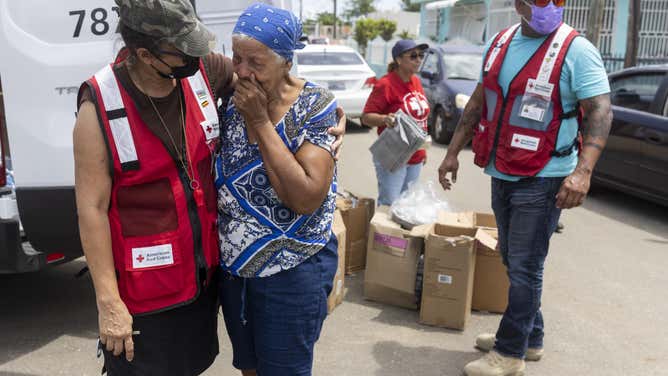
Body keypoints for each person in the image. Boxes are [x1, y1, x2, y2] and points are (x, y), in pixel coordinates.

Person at [73, 1, 345, 374]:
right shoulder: (100, 104)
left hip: (205, 281)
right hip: (145, 290)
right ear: (145, 55)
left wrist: (328, 119)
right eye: (182, 48)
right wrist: (107, 301)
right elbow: (91, 207)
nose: (197, 55)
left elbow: (289, 98)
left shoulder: (207, 73)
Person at [437, 1, 612, 375]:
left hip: (545, 174)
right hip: (502, 169)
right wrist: (452, 152)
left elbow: (600, 109)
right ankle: (530, 337)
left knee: (525, 265)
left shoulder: (576, 49)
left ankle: (510, 352)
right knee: (512, 259)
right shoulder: (500, 42)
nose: (550, 5)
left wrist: (583, 173)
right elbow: (479, 103)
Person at [214, 3, 339, 375]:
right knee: (249, 369)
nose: (242, 71)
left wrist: (259, 119)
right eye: (237, 58)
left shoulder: (314, 106)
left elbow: (305, 197)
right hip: (236, 274)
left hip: (292, 272)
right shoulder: (230, 97)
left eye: (255, 62)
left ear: (286, 61)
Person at [361, 39, 430, 206]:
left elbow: (420, 119)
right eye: (413, 56)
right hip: (392, 154)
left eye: (420, 55)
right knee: (389, 205)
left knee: (407, 207)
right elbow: (366, 117)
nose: (418, 60)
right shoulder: (386, 84)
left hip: (416, 156)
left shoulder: (416, 82)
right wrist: (385, 119)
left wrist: (423, 151)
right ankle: (381, 234)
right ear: (399, 60)